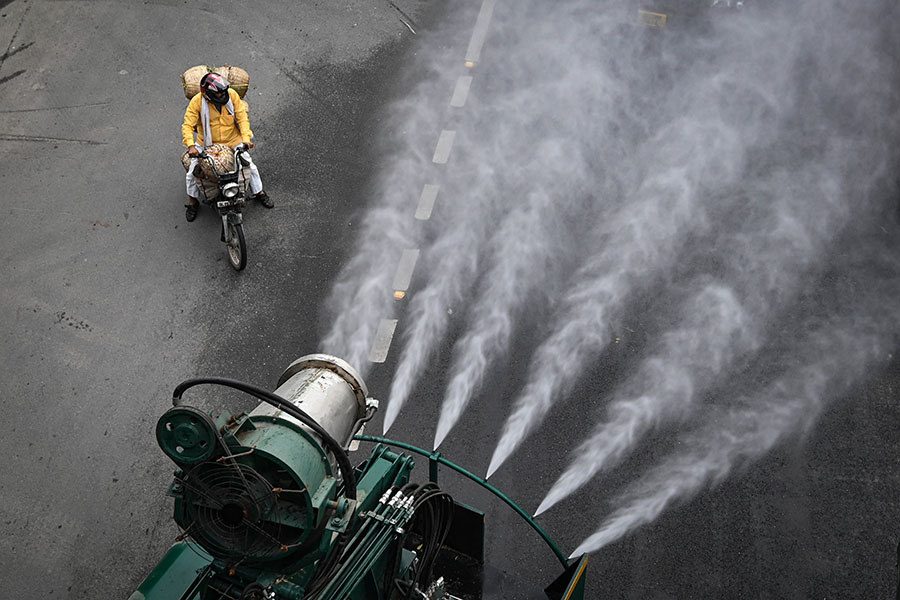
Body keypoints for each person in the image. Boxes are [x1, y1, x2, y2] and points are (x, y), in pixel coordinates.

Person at [181, 71, 274, 222]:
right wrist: (191, 145)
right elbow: (187, 125)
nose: (223, 96)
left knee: (250, 166)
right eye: (218, 94)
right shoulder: (197, 102)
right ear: (208, 95)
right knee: (192, 174)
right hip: (206, 144)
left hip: (233, 140)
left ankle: (259, 193)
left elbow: (242, 118)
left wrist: (245, 139)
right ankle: (193, 203)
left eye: (223, 92)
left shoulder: (232, 95)